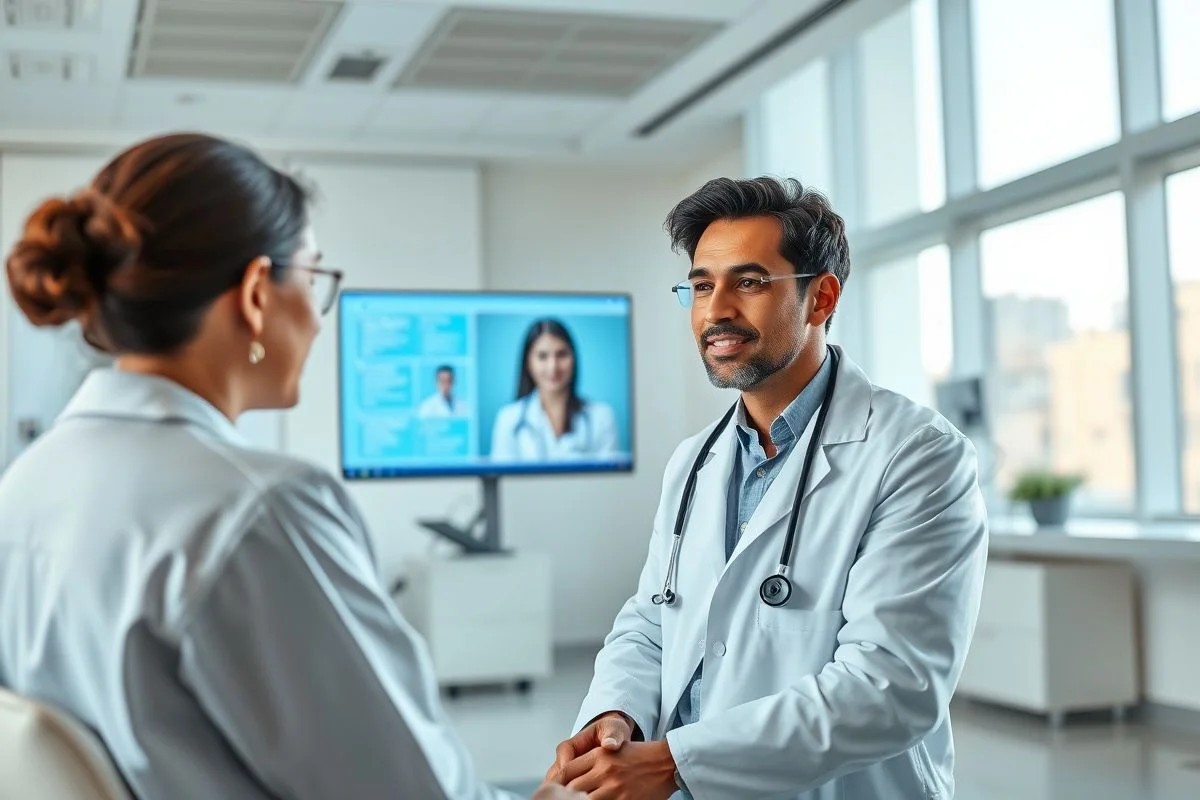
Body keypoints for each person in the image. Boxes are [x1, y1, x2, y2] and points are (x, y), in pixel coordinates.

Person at [0, 132, 554, 800]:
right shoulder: (259, 510)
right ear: (258, 291)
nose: (319, 322)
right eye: (314, 278)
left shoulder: (23, 486)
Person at [545, 177, 988, 799]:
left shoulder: (916, 455)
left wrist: (675, 762)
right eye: (701, 285)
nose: (716, 309)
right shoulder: (695, 461)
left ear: (821, 298)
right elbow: (652, 621)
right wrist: (614, 720)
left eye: (748, 282)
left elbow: (893, 687)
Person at [489, 318, 619, 462]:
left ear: (574, 359)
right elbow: (503, 482)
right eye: (542, 356)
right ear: (528, 363)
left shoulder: (601, 417)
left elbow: (610, 482)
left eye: (561, 355)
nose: (553, 367)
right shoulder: (508, 420)